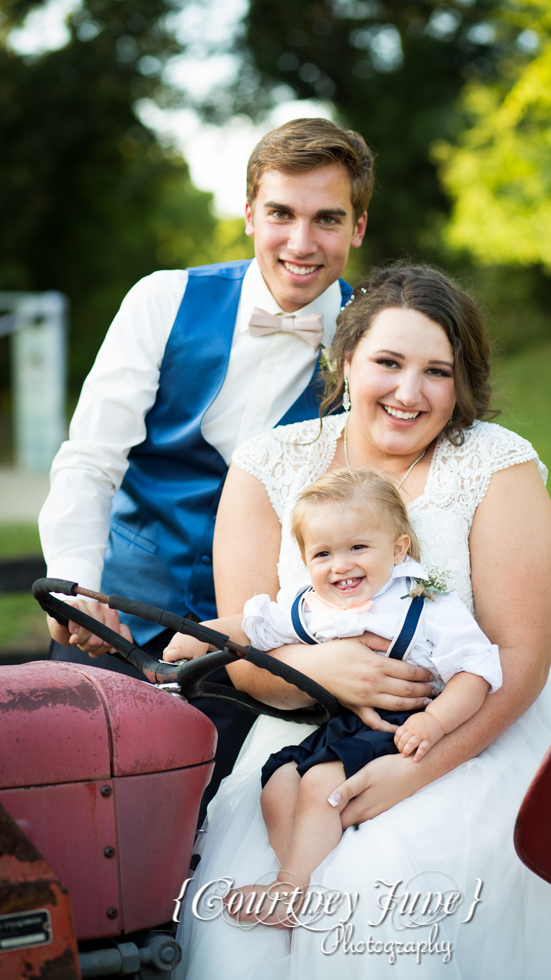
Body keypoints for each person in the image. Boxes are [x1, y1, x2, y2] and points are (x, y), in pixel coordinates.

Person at [173, 263, 551, 979]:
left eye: (437, 372)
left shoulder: (494, 465)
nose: (409, 393)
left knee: (382, 892)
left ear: (463, 382)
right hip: (303, 736)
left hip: (473, 734)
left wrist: (410, 776)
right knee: (243, 935)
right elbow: (243, 648)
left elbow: (518, 660)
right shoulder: (267, 464)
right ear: (345, 359)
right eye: (387, 362)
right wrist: (310, 667)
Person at [37, 117, 379, 799]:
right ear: (250, 213)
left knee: (221, 833)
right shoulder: (163, 299)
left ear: (358, 227)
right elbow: (89, 459)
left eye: (327, 219)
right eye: (281, 213)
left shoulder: (375, 339)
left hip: (267, 651)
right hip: (119, 624)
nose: (301, 242)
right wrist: (76, 583)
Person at [167, 467, 502, 928]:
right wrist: (200, 637)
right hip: (342, 728)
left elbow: (476, 671)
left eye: (358, 547)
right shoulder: (313, 608)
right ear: (306, 561)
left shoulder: (426, 606)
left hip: (400, 727)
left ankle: (290, 889)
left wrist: (436, 723)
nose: (340, 565)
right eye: (323, 553)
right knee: (278, 782)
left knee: (321, 785)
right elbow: (253, 625)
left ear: (398, 549)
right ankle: (314, 882)